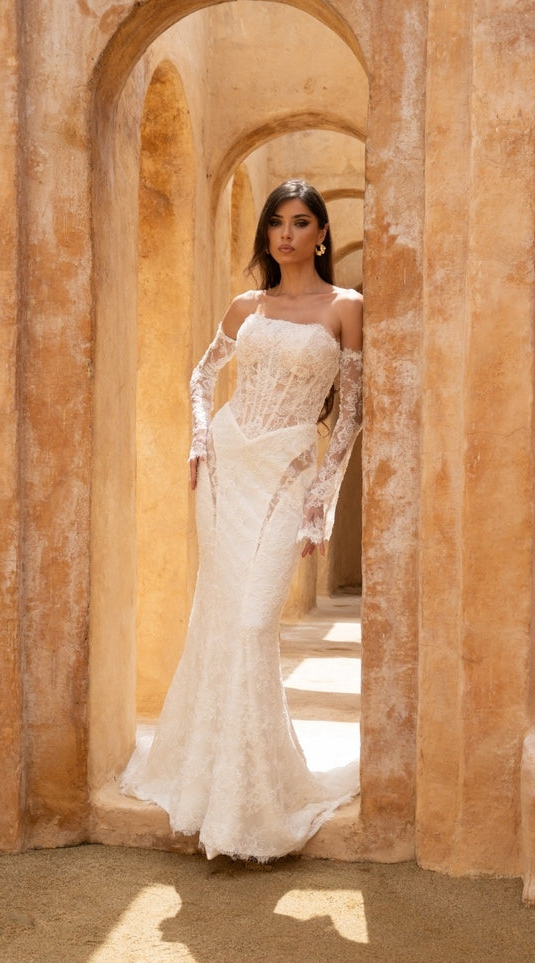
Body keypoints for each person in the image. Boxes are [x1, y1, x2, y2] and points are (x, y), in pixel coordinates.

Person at [120, 179, 364, 862]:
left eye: (301, 223)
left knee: (256, 619)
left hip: (286, 468)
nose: (286, 234)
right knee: (223, 618)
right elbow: (201, 376)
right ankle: (214, 785)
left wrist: (325, 495)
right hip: (227, 465)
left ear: (321, 234)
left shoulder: (346, 309)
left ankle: (253, 794)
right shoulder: (246, 306)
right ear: (267, 235)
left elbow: (348, 413)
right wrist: (199, 436)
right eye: (276, 223)